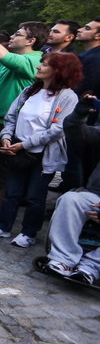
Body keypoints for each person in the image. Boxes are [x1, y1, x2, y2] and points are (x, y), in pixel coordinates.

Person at [0, 52, 82, 248]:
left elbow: (58, 130)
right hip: (16, 149)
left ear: (59, 70)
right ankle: (3, 226)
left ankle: (28, 232)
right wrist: (6, 137)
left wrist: (25, 144)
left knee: (35, 196)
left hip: (41, 155)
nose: (38, 67)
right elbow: (11, 116)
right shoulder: (29, 91)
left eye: (44, 65)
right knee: (11, 192)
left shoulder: (67, 97)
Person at [0, 23, 44, 224]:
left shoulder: (34, 59)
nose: (12, 36)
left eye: (18, 34)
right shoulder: (9, 59)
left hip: (5, 125)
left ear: (31, 41)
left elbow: (3, 56)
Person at [45, 94, 100, 282]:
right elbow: (78, 133)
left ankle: (92, 266)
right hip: (96, 194)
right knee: (70, 200)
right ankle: (64, 259)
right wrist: (79, 113)